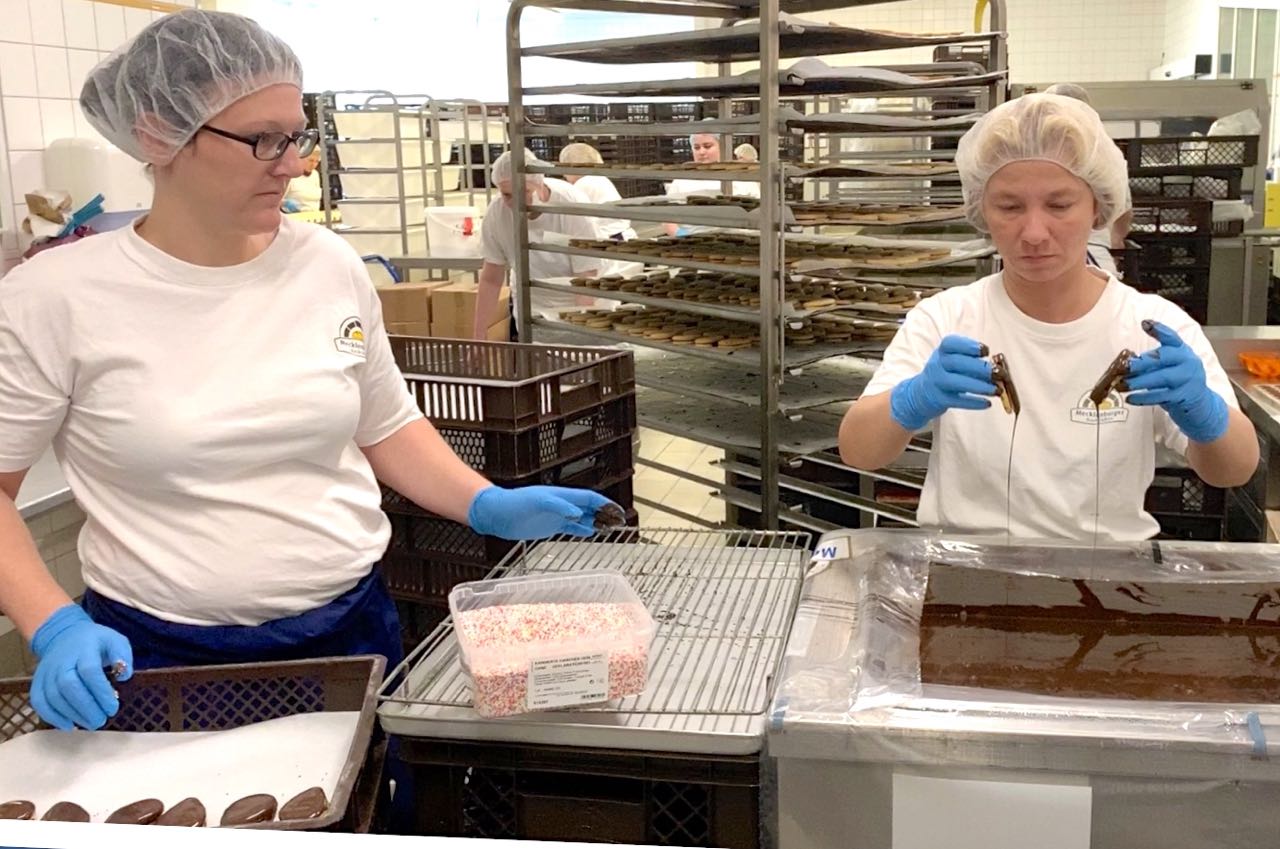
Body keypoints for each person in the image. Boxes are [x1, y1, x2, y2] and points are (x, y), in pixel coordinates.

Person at [0, 10, 620, 733]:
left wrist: (484, 502)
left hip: (352, 635)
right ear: (158, 134)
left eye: (296, 136)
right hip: (162, 659)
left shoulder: (325, 263)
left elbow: (385, 423)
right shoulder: (57, 295)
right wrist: (52, 622)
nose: (294, 164)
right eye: (263, 139)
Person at [837, 93, 1258, 541]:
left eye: (1059, 205)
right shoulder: (947, 319)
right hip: (966, 566)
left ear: (1097, 207)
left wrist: (1203, 412)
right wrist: (913, 399)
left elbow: (1234, 470)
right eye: (1010, 207)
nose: (1034, 233)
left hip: (1105, 571)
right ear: (982, 210)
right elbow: (859, 451)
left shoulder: (1150, 326)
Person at [473, 149, 605, 338]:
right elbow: (491, 278)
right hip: (530, 305)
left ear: (539, 184)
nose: (515, 202)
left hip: (575, 300)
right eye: (507, 195)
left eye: (524, 192)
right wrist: (479, 335)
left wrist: (581, 329)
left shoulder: (571, 206)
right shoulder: (497, 214)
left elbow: (586, 275)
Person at [1043, 82, 1132, 276]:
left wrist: (1115, 239)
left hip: (1088, 247)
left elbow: (1121, 209)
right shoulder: (1036, 151)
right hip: (1048, 249)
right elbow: (1122, 211)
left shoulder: (1101, 154)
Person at [663, 131, 761, 236]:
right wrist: (681, 235)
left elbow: (760, 214)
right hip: (695, 239)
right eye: (696, 148)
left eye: (707, 146)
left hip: (739, 238)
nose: (701, 152)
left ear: (722, 146)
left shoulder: (742, 178)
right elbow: (667, 218)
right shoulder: (682, 180)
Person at [557, 142, 636, 241]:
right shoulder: (598, 179)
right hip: (618, 235)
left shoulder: (584, 183)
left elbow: (570, 216)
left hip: (613, 238)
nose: (564, 176)